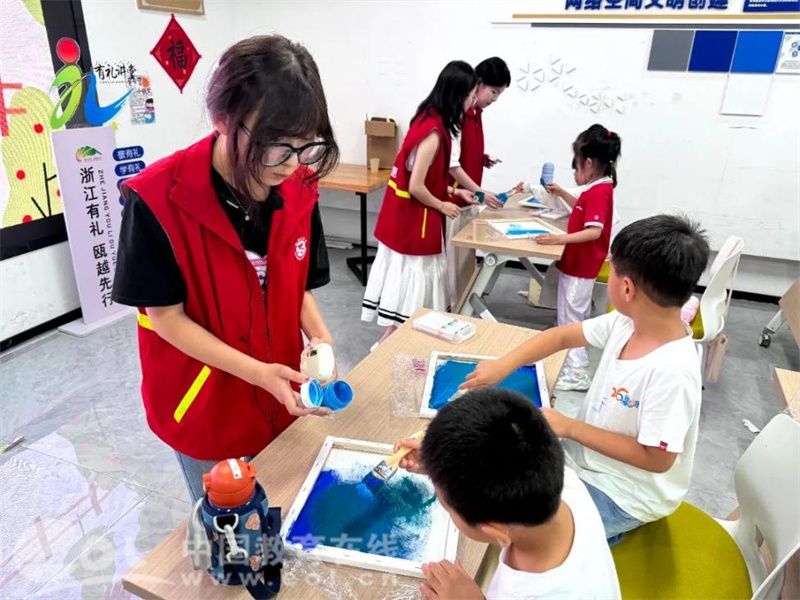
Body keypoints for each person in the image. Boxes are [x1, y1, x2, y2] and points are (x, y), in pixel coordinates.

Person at [112, 35, 340, 503]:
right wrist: (257, 373)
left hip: (280, 394)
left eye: (307, 145)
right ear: (222, 121)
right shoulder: (156, 199)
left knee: (283, 509)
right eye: (277, 145)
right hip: (205, 404)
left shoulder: (300, 187)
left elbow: (296, 287)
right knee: (228, 525)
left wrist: (321, 339)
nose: (292, 164)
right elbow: (166, 319)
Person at [463, 215, 711, 543]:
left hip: (625, 494)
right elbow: (561, 336)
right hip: (585, 461)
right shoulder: (627, 322)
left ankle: (594, 546)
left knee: (525, 534)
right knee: (498, 471)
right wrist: (503, 364)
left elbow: (658, 459)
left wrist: (570, 427)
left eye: (612, 269)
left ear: (626, 288)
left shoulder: (672, 371)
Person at [395, 390, 620, 599]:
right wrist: (440, 463)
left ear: (495, 532)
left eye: (447, 507)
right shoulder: (564, 482)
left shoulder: (529, 594)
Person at [361, 61, 476, 341]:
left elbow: (425, 178)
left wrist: (454, 192)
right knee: (412, 299)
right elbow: (415, 186)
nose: (473, 102)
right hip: (414, 225)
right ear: (458, 95)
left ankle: (389, 345)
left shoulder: (428, 118)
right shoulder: (434, 133)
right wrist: (442, 204)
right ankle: (389, 349)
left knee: (407, 303)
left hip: (405, 220)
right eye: (472, 95)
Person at [521, 124, 622, 391]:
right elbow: (581, 208)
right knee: (571, 313)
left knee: (572, 317)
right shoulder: (597, 188)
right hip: (578, 263)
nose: (575, 173)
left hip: (582, 266)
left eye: (576, 166)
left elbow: (594, 232)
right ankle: (571, 357)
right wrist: (563, 194)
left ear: (588, 163)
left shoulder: (599, 192)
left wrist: (558, 239)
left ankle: (576, 372)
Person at [449, 57, 510, 209]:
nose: (495, 99)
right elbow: (451, 164)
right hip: (453, 198)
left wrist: (479, 158)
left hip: (468, 197)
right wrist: (481, 193)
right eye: (493, 92)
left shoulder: (476, 113)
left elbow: (460, 149)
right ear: (478, 83)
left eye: (499, 94)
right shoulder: (459, 114)